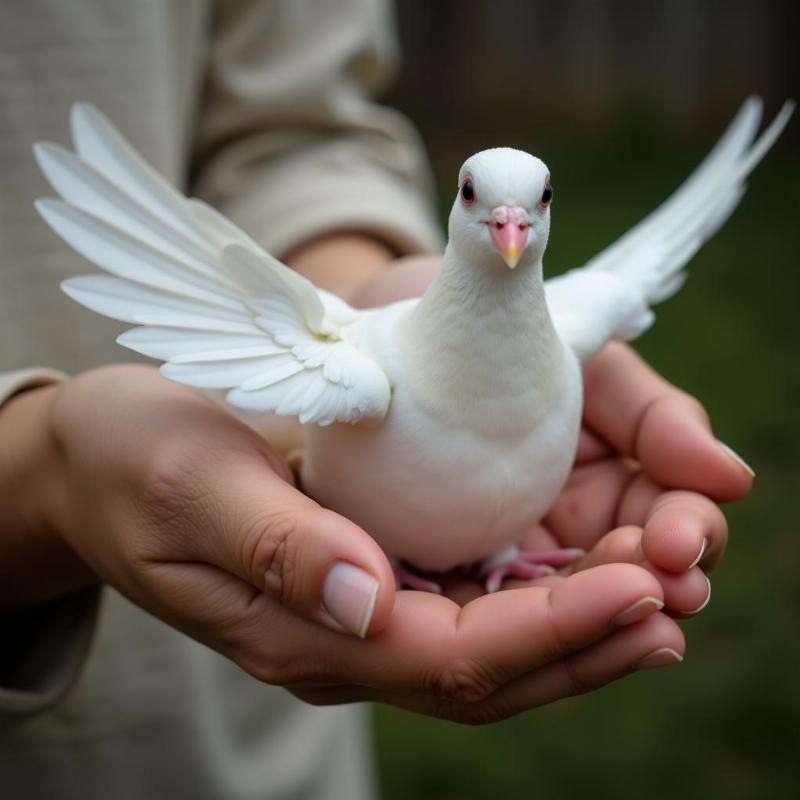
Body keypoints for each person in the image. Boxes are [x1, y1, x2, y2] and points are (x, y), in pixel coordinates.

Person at [0, 1, 752, 798]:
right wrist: (48, 479)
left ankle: (495, 553)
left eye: (531, 208)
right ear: (463, 206)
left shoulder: (567, 342)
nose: (510, 226)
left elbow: (298, 136)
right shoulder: (362, 366)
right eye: (480, 201)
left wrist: (354, 267)